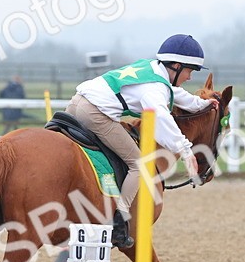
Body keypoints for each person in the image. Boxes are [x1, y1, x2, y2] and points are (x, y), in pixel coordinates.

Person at [67, 34, 218, 248]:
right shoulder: (155, 89)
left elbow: (175, 94)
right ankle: (118, 220)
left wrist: (201, 104)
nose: (190, 77)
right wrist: (185, 151)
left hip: (75, 104)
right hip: (95, 113)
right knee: (138, 164)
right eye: (189, 70)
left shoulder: (152, 70)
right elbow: (162, 116)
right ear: (176, 66)